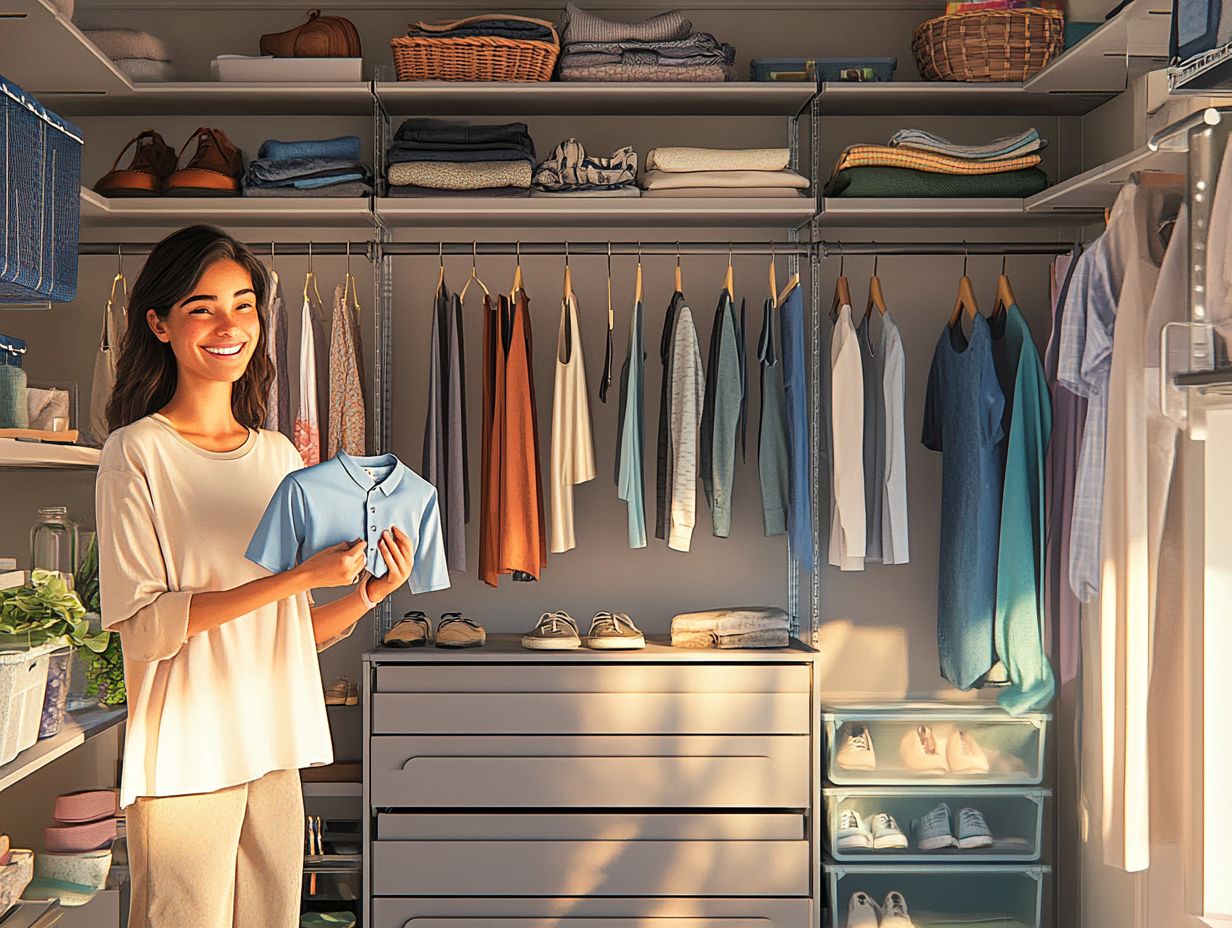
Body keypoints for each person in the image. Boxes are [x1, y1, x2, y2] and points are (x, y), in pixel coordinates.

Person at [95, 225, 414, 928]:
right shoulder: (136, 453)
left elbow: (286, 635)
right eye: (202, 307)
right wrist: (295, 577)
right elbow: (146, 626)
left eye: (243, 305)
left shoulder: (276, 456)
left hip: (273, 752)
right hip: (186, 757)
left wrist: (366, 595)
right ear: (160, 323)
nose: (228, 325)